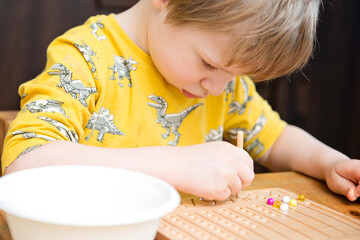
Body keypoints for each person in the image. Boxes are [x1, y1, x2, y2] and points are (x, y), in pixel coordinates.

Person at [2, 0, 359, 202]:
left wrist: (329, 163)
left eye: (236, 76)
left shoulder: (222, 83)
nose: (218, 89)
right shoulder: (87, 57)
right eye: (209, 63)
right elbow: (24, 163)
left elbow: (276, 136)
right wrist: (174, 165)